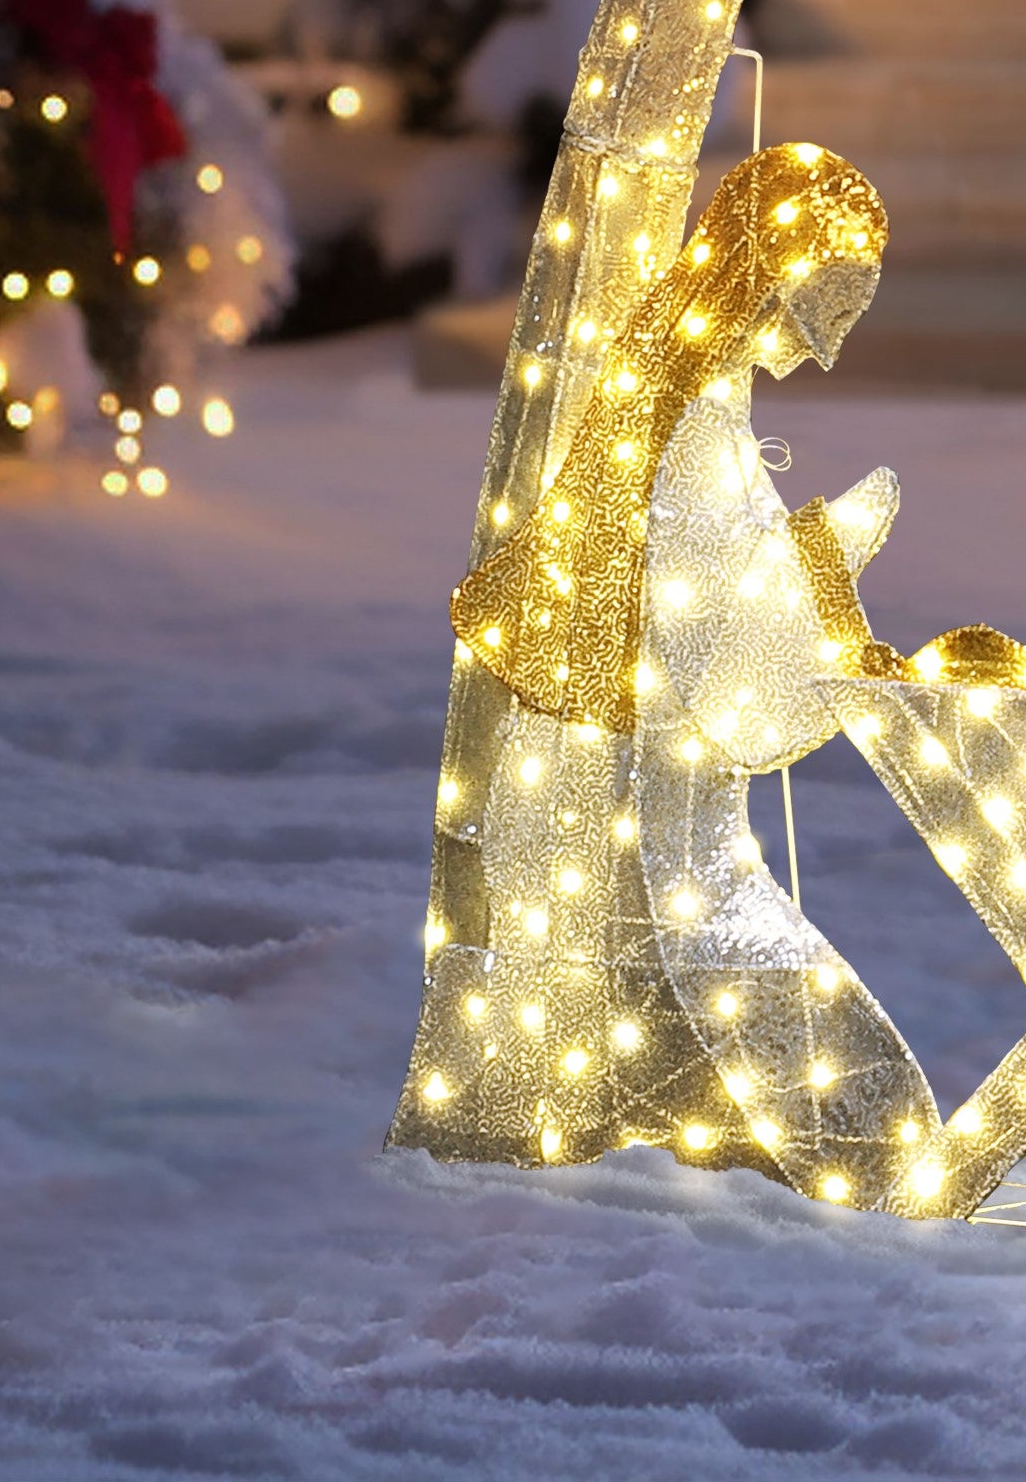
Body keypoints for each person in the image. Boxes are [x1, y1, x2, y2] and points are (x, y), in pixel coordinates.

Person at [393, 144, 937, 1204]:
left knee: (841, 1094)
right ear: (775, 272)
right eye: (825, 306)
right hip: (621, 815)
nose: (823, 352)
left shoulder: (693, 387)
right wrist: (829, 552)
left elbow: (713, 588)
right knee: (858, 1114)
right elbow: (713, 627)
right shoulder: (680, 404)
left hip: (655, 809)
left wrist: (808, 569)